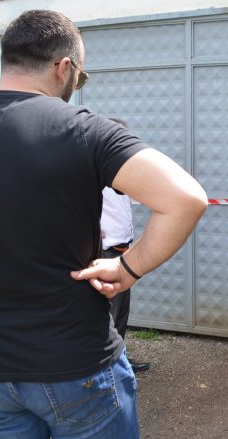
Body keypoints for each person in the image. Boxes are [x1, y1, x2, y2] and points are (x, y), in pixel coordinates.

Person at [0, 9, 207, 438]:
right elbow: (186, 199)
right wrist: (128, 269)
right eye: (80, 76)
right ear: (64, 67)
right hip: (76, 363)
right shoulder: (86, 132)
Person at [101, 117, 148, 373]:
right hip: (106, 253)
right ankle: (106, 367)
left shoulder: (119, 174)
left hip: (123, 252)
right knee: (107, 314)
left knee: (121, 312)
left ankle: (120, 360)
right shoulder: (97, 172)